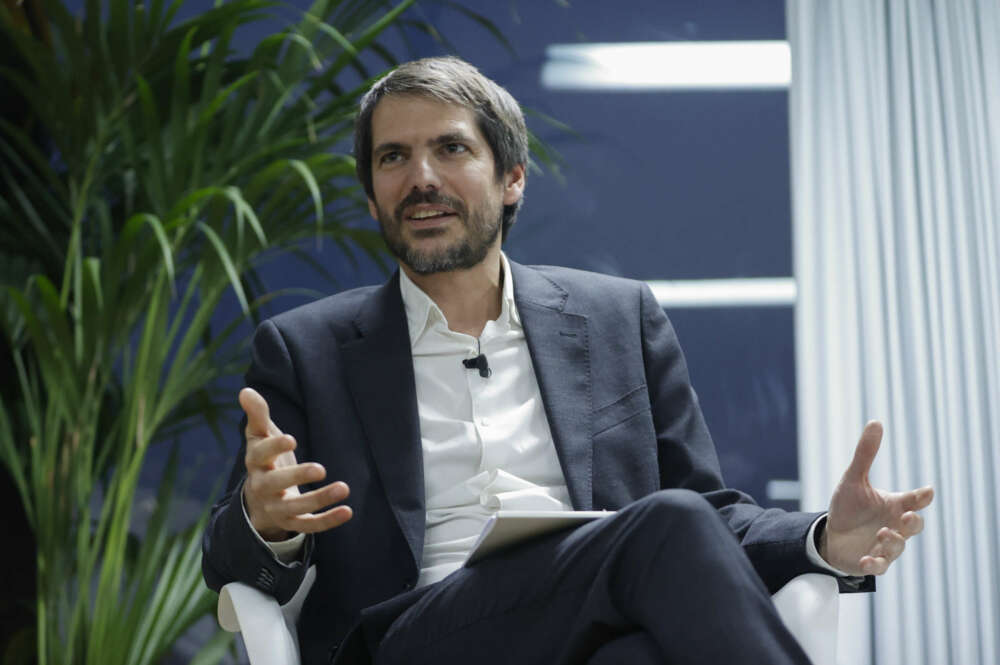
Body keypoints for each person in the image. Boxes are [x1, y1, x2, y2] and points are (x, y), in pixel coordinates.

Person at [202, 56, 934, 665]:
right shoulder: (305, 349)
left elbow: (710, 518)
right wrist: (267, 524)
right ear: (372, 196)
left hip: (590, 628)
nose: (419, 176)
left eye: (450, 148)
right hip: (413, 635)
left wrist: (825, 540)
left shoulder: (619, 318)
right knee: (664, 525)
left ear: (511, 177)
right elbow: (228, 564)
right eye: (393, 157)